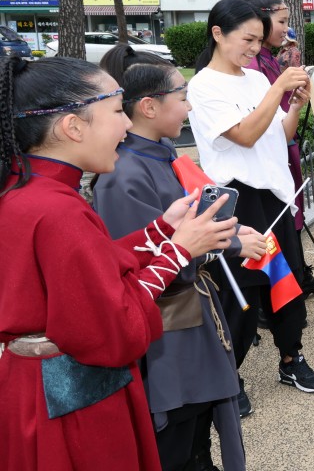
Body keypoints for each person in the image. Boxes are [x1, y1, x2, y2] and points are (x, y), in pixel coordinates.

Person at [0, 56, 236, 470]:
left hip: (36, 387)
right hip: (70, 397)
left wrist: (162, 230)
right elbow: (115, 327)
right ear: (72, 127)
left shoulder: (27, 188)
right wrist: (179, 250)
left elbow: (94, 265)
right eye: (114, 111)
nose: (126, 125)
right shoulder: (58, 210)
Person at [93, 58, 264, 471]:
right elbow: (145, 263)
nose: (189, 108)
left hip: (188, 316)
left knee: (196, 437)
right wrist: (229, 245)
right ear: (149, 106)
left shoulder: (157, 157)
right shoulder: (123, 175)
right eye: (182, 97)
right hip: (168, 331)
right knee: (178, 443)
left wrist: (225, 237)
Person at [188, 0, 314, 414]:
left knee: (287, 285)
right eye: (247, 39)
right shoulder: (203, 85)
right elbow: (244, 136)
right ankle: (230, 374)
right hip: (240, 202)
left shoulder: (255, 79)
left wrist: (295, 104)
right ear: (217, 34)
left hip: (276, 196)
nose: (254, 48)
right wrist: (279, 87)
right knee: (242, 296)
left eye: (258, 40)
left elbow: (277, 134)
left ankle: (291, 358)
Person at [239, 0, 314, 299]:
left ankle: (299, 274)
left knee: (292, 212)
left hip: (285, 142)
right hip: (269, 149)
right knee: (278, 218)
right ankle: (278, 289)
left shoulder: (269, 58)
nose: (286, 28)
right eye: (281, 21)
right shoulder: (253, 66)